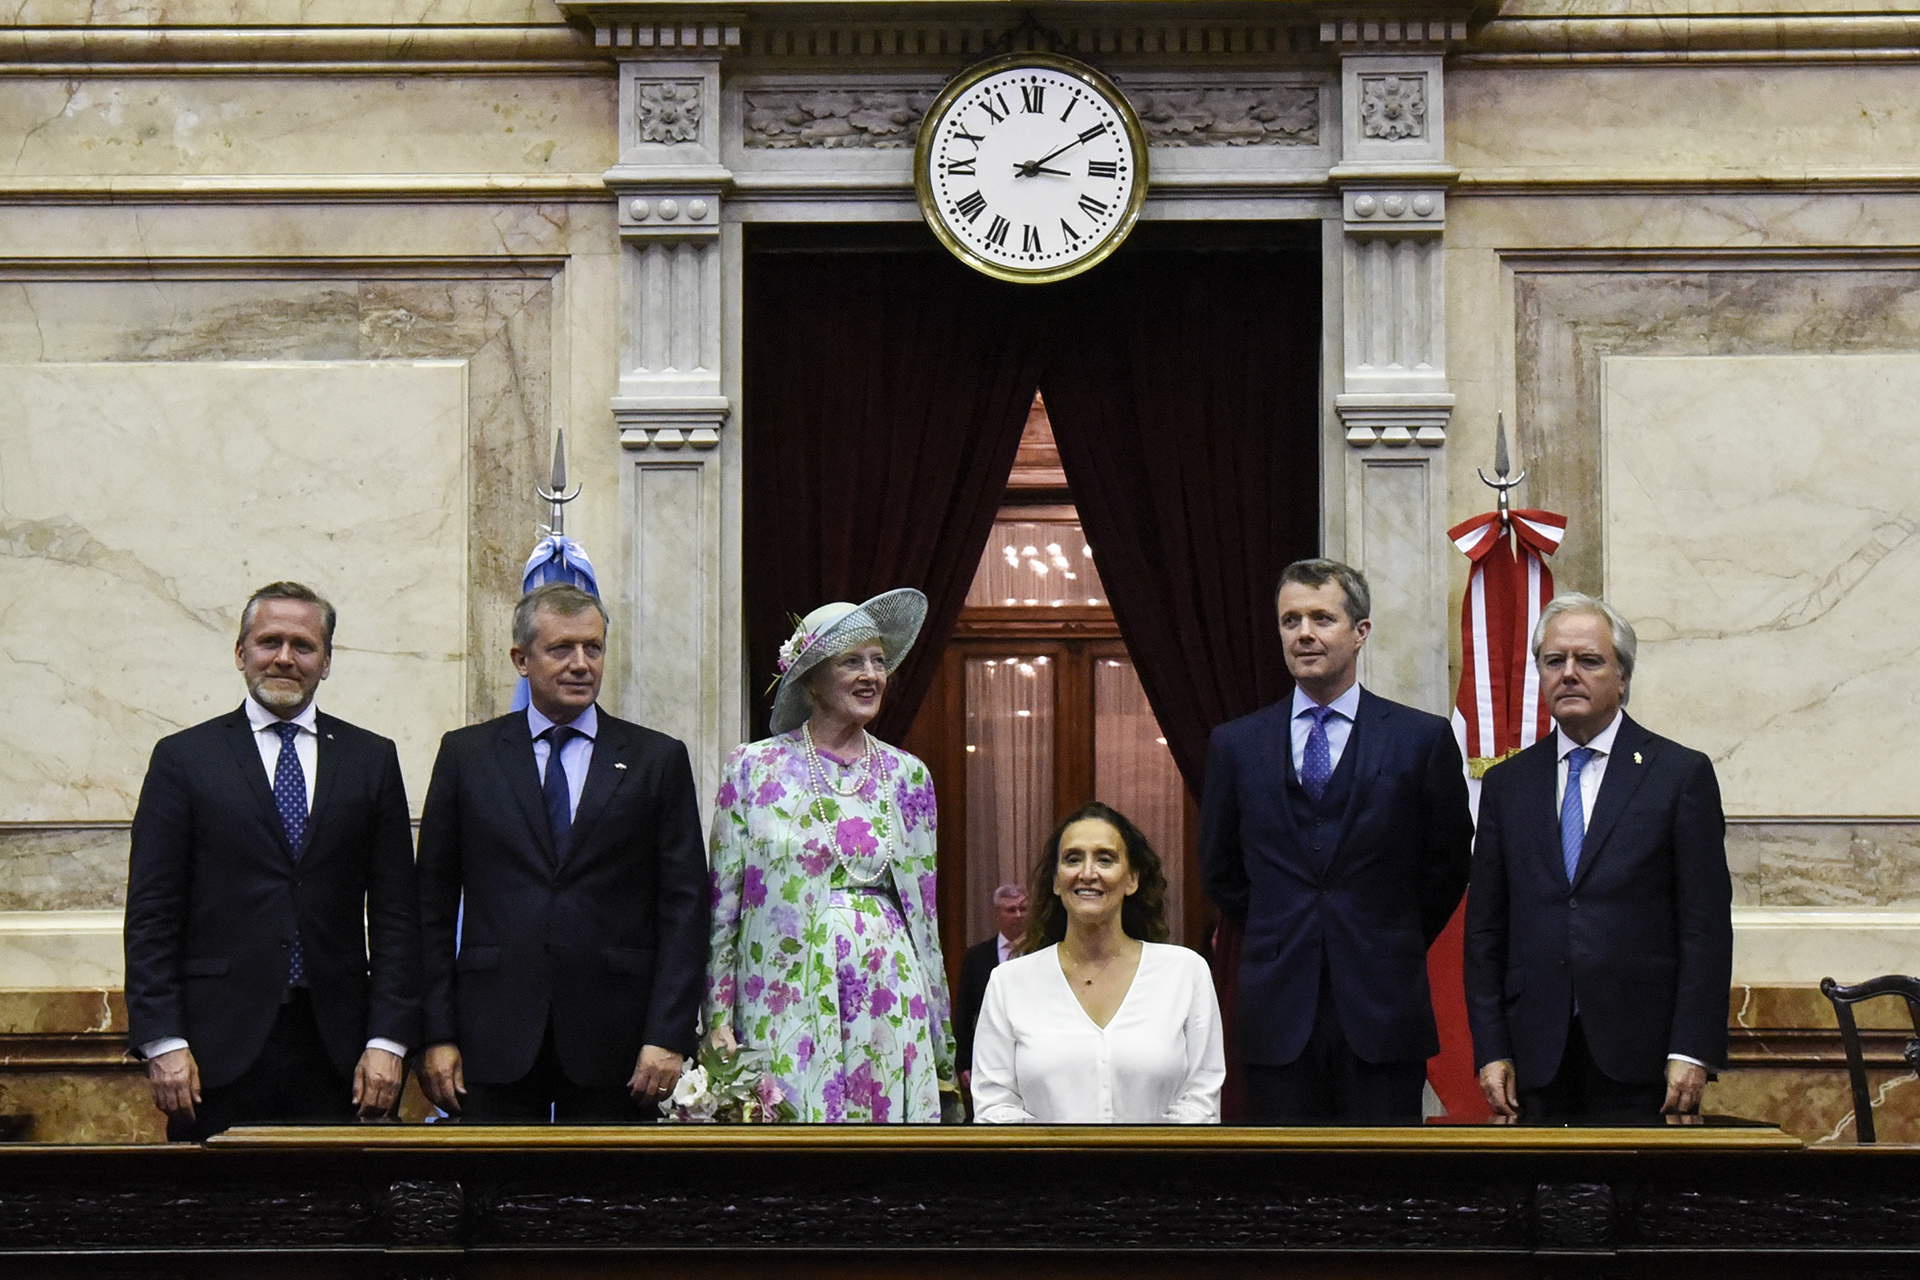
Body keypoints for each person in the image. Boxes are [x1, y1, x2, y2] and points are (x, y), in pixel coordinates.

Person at [123, 581, 419, 1140]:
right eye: (269, 642)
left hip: (341, 1051)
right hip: (213, 1052)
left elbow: (397, 915)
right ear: (241, 653)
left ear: (326, 661)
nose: (285, 657)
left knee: (341, 1217)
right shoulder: (184, 759)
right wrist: (162, 1041)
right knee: (219, 1217)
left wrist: (389, 1040)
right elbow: (152, 914)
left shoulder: (371, 759)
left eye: (303, 645)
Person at [416, 583, 709, 1122]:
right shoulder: (466, 756)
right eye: (561, 649)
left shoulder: (656, 759)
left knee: (609, 1202)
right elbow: (429, 908)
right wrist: (435, 1034)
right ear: (520, 660)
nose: (581, 664)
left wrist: (668, 1033)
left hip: (621, 1045)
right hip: (492, 1036)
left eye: (593, 648)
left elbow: (686, 906)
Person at [1200, 558, 1474, 1124]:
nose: (1304, 633)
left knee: (1383, 1191)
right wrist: (1284, 925)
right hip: (1277, 1011)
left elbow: (1447, 864)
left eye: (1322, 618)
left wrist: (1385, 929)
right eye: (1290, 620)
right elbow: (1221, 868)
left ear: (1360, 632)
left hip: (1383, 1007)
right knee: (1287, 1193)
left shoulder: (1420, 740)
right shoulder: (1235, 744)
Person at [1465, 593, 1732, 1123]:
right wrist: (1491, 1047)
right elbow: (1485, 932)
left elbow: (1704, 927)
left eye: (1588, 661)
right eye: (1554, 660)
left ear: (1623, 677)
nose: (1569, 674)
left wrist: (1692, 1048)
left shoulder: (1678, 775)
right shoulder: (1507, 784)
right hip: (1533, 1057)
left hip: (1644, 1058)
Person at [706, 589, 959, 1123]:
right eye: (851, 661)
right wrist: (716, 1017)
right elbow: (723, 906)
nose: (871, 674)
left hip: (887, 988)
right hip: (783, 990)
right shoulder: (753, 768)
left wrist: (941, 1032)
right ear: (812, 679)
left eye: (879, 662)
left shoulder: (908, 775)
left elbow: (926, 915)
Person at [971, 803, 1223, 1124]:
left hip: (1161, 1172)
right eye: (1073, 859)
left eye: (1105, 859)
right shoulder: (1009, 982)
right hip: (1043, 1174)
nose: (1088, 873)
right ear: (1056, 881)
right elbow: (995, 1108)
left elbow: (1200, 1101)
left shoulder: (1186, 973)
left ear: (1132, 879)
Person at [955, 884, 1028, 1088]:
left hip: (1030, 1053)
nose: (1018, 915)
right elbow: (965, 1014)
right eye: (1011, 910)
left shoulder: (1042, 952)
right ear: (997, 914)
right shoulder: (976, 957)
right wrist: (963, 1064)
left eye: (1023, 909)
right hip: (989, 1055)